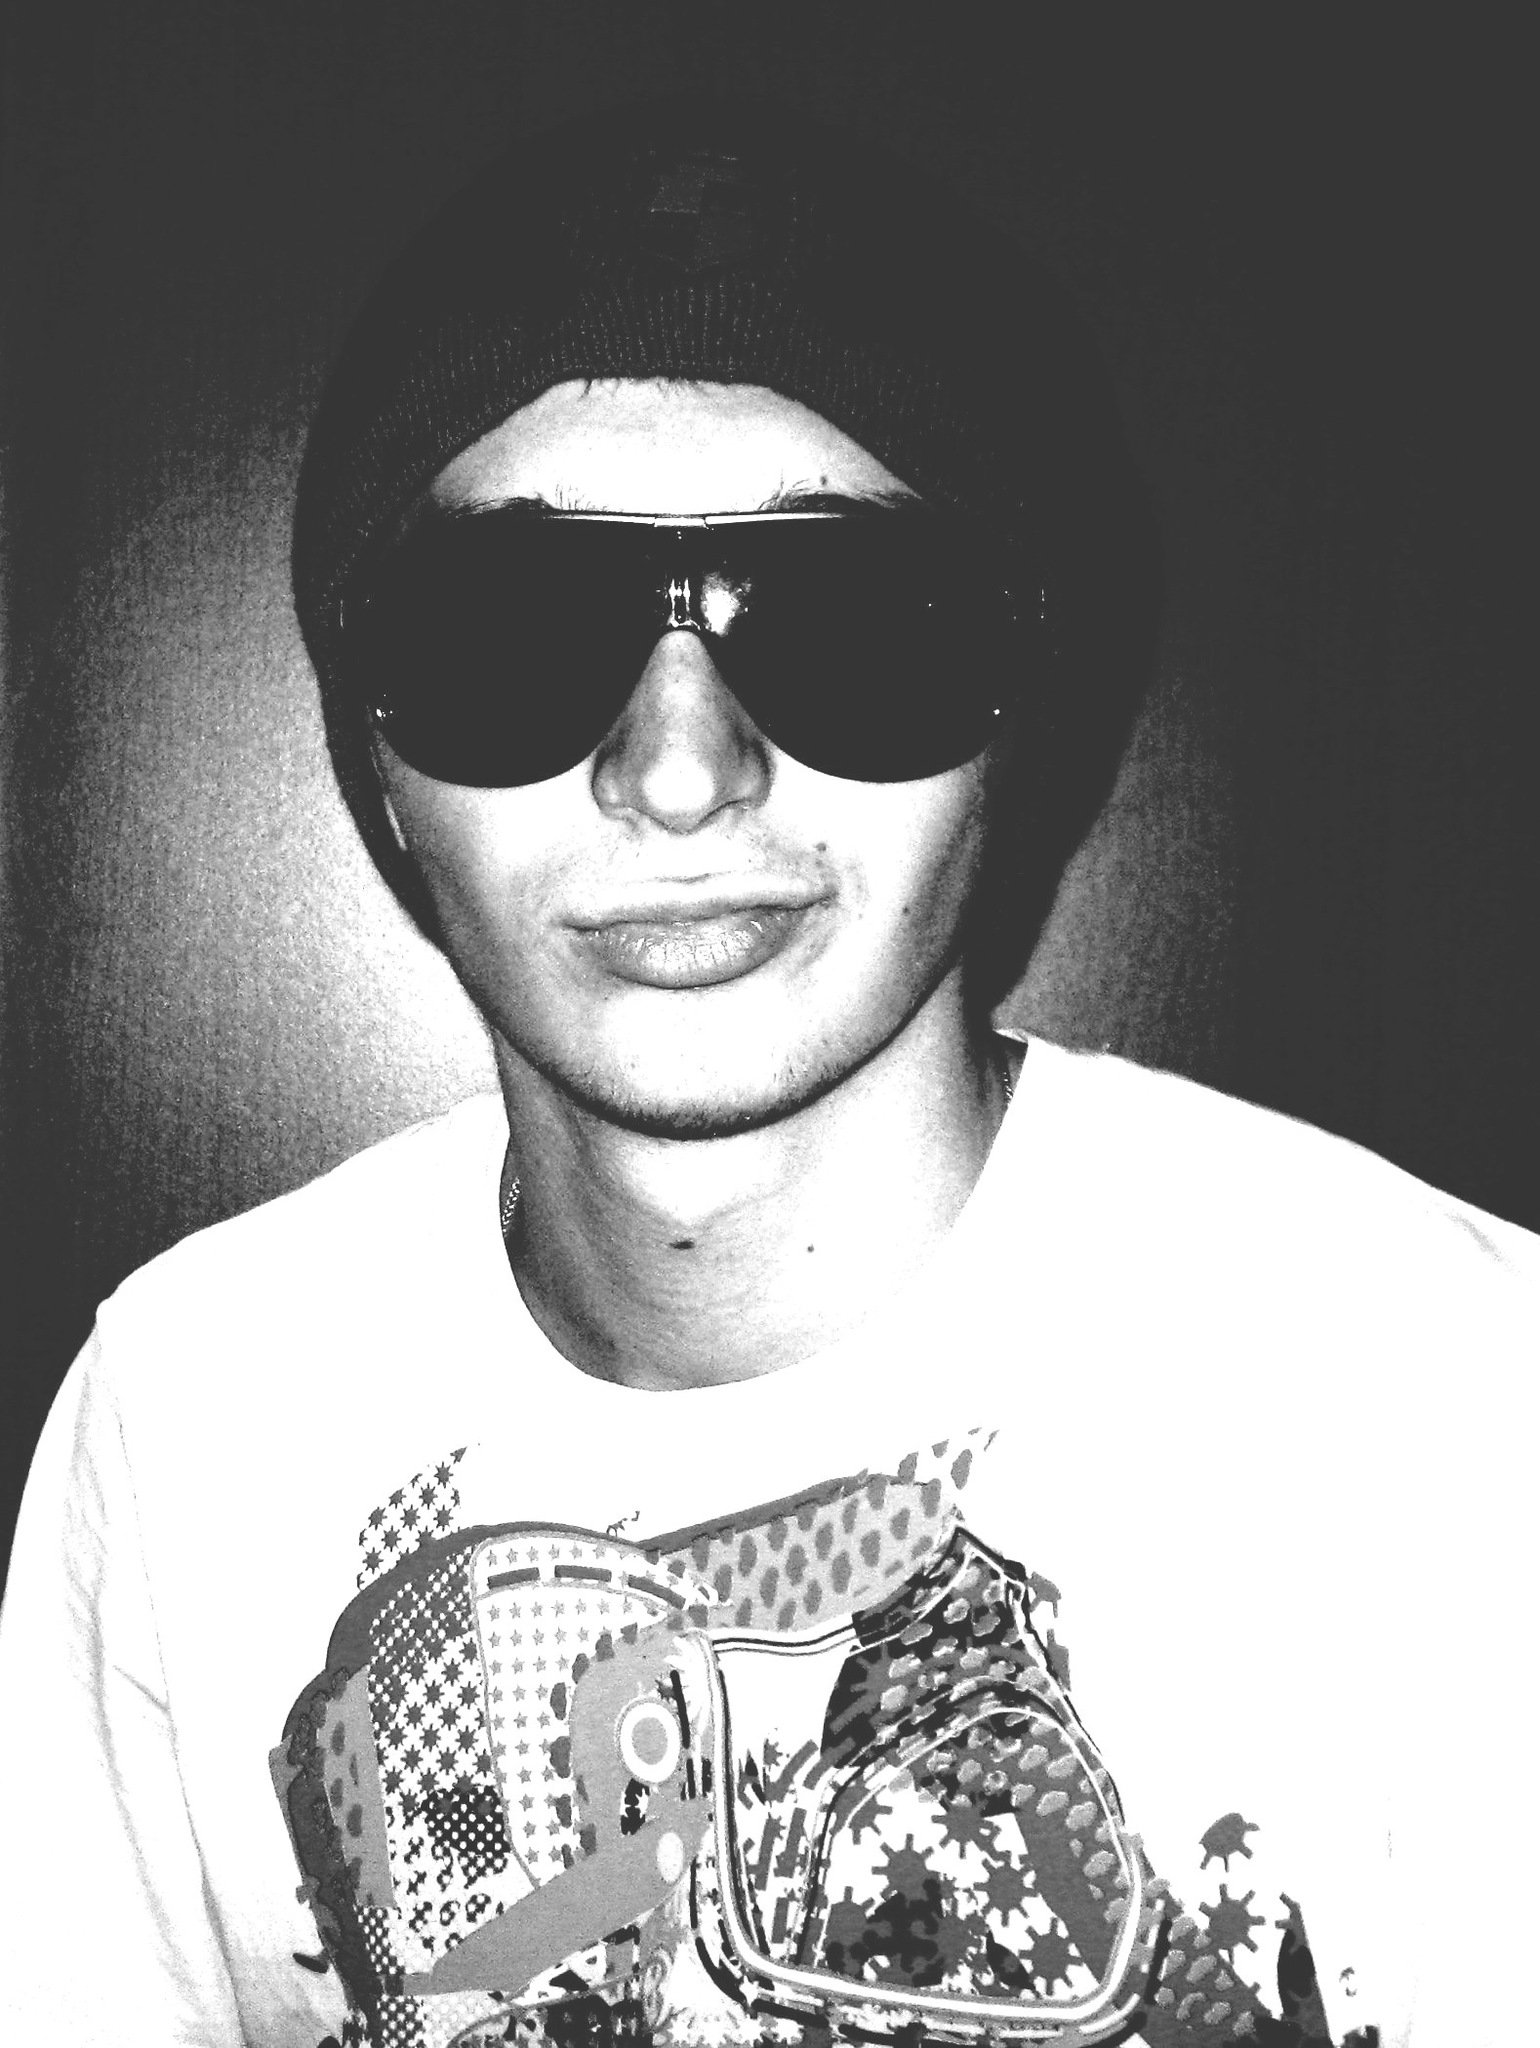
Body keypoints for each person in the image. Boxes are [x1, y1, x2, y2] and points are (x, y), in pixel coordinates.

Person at [0, 96, 1533, 2048]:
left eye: (848, 623)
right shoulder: (190, 1427)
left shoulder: (1457, 1414)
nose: (678, 768)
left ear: (1020, 719)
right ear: (373, 765)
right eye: (510, 631)